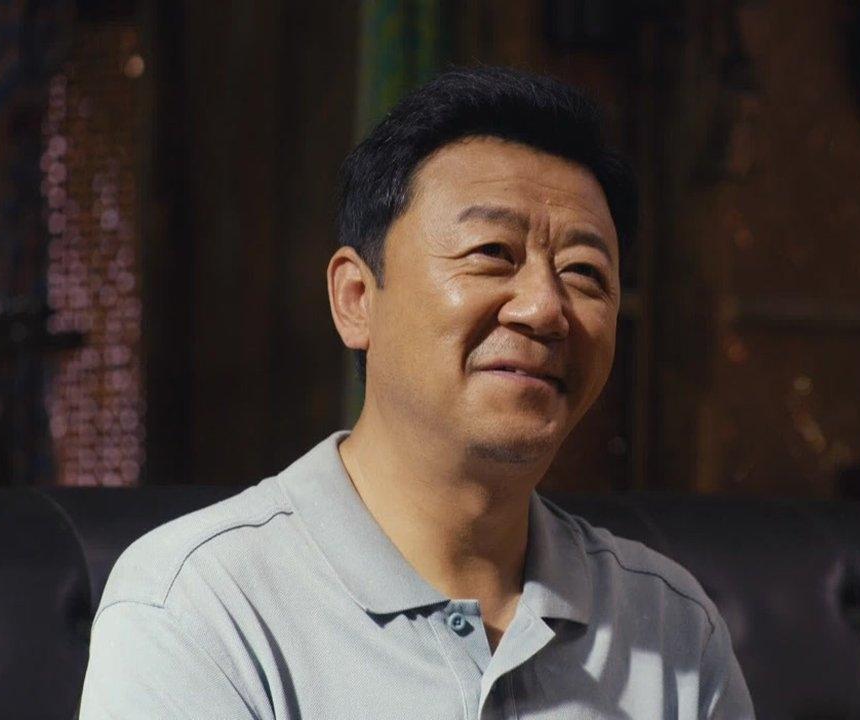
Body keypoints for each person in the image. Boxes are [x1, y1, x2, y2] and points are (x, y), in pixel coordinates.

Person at [79, 66, 754, 719]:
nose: (545, 308)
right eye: (492, 253)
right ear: (356, 299)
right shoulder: (201, 606)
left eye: (584, 273)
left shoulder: (671, 627)